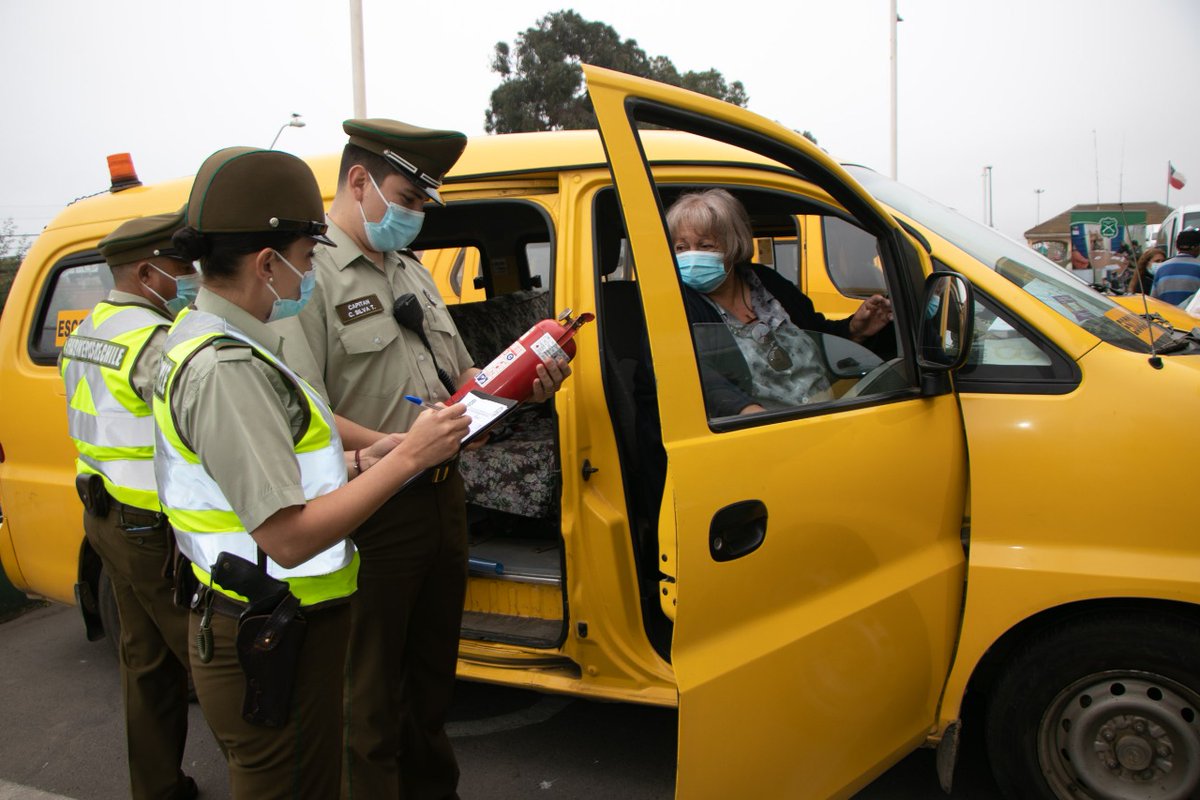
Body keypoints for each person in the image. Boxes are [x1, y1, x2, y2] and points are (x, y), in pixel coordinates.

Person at [154, 146, 469, 799]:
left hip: (275, 616)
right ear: (266, 264)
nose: (308, 276)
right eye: (303, 260)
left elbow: (277, 465)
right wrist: (407, 456)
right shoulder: (227, 368)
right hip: (269, 624)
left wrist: (362, 458)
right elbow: (289, 535)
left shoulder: (231, 344)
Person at [274, 118, 569, 800]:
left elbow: (457, 375)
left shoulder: (410, 269)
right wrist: (406, 448)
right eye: (406, 197)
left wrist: (511, 392)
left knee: (433, 679)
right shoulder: (306, 277)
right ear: (358, 182)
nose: (414, 215)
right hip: (370, 506)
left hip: (443, 494)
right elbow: (299, 411)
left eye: (421, 204)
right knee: (368, 693)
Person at [59, 209, 200, 800]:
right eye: (181, 266)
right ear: (148, 273)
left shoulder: (89, 329)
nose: (191, 275)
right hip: (151, 532)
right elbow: (195, 429)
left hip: (103, 518)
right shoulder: (152, 342)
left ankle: (158, 789)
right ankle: (270, 780)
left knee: (145, 664)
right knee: (215, 667)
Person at [666, 189, 894, 417]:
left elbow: (815, 332)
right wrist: (746, 410)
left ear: (734, 244)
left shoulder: (766, 281)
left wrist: (854, 329)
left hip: (824, 419)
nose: (692, 257)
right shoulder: (679, 302)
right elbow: (687, 369)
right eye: (681, 248)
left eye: (705, 246)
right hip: (761, 434)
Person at [1151, 228, 1200, 306]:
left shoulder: (1161, 268)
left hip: (1166, 316)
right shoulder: (1198, 267)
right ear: (1197, 247)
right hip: (1191, 317)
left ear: (1177, 247)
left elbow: (1153, 300)